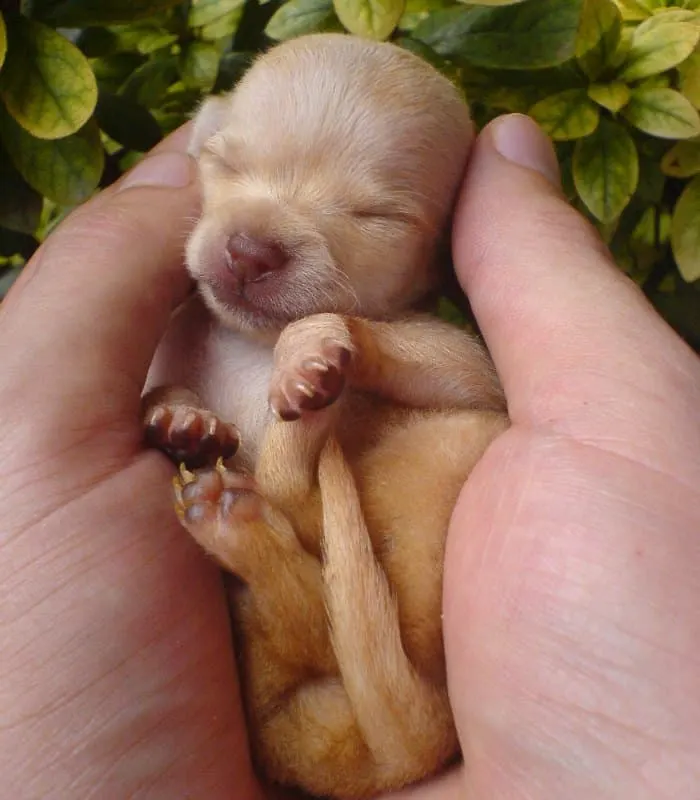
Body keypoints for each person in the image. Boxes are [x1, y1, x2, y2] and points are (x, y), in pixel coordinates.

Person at [0, 113, 698, 800]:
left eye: (372, 215)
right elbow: (153, 428)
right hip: (280, 700)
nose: (254, 242)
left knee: (462, 444)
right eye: (231, 164)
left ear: (441, 248)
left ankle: (270, 555)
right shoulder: (166, 336)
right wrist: (169, 409)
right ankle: (272, 560)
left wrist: (365, 347)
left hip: (414, 653)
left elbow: (473, 391)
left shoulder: (395, 331)